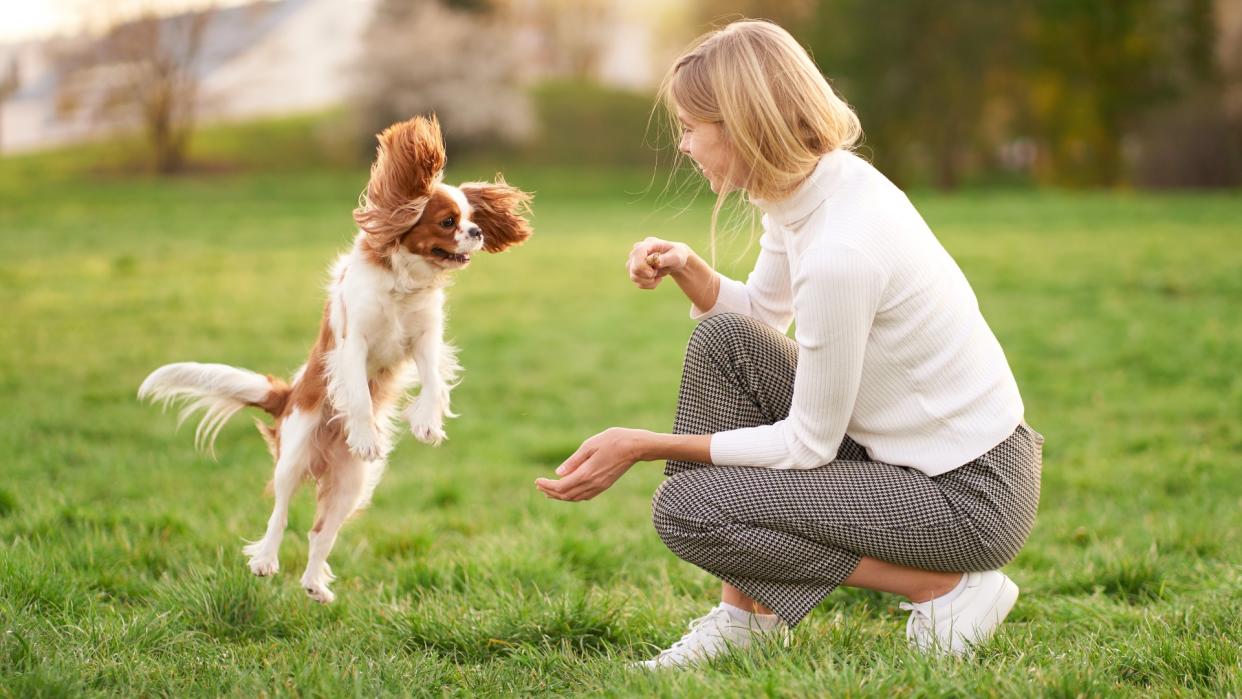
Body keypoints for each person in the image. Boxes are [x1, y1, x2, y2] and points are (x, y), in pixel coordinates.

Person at [534, 19, 1043, 669]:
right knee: (724, 342)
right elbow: (760, 317)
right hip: (916, 456)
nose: (684, 146)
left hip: (969, 497)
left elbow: (808, 445)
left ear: (743, 124)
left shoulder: (841, 248)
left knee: (689, 509)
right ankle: (746, 619)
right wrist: (687, 266)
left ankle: (944, 586)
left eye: (691, 127)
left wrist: (643, 444)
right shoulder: (811, 187)